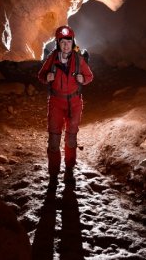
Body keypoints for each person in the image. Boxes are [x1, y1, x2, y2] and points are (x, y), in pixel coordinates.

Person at [38, 24, 93, 185]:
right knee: (54, 140)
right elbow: (40, 75)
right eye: (62, 42)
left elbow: (89, 76)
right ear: (58, 43)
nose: (66, 45)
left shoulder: (78, 59)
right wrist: (46, 77)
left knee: (71, 139)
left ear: (72, 42)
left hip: (75, 103)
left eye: (68, 41)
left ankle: (69, 170)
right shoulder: (52, 58)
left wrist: (84, 79)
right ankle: (53, 175)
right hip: (56, 102)